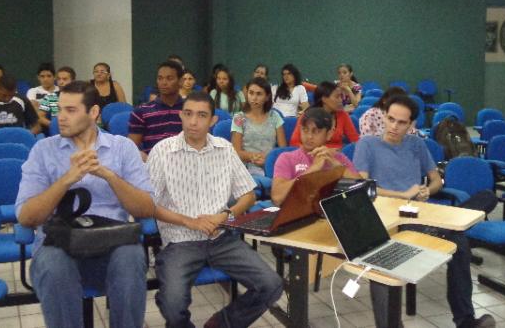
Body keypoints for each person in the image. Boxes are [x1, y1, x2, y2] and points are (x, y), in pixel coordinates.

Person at [15, 81, 155, 328]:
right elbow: (26, 217)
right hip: (58, 244)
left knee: (131, 257)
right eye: (59, 110)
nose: (61, 118)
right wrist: (68, 178)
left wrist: (108, 175)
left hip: (112, 241)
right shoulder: (43, 150)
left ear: (93, 113)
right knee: (53, 266)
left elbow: (145, 209)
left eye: (71, 110)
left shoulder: (122, 148)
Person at [353, 95, 496, 328]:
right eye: (390, 119)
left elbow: (437, 180)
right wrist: (403, 194)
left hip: (418, 212)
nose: (394, 126)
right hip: (388, 218)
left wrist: (426, 191)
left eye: (401, 122)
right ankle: (453, 224)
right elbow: (363, 189)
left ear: (411, 125)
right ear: (384, 117)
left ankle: (465, 321)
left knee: (487, 198)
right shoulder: (368, 145)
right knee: (459, 240)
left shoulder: (416, 144)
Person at [147, 91, 283, 328]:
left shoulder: (224, 149)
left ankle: (222, 324)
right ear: (180, 115)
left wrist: (226, 215)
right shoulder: (162, 151)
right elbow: (149, 205)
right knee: (172, 305)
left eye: (201, 115)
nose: (193, 122)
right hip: (181, 242)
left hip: (222, 238)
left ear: (212, 121)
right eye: (188, 114)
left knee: (271, 284)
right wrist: (191, 222)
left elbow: (248, 195)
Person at [272, 107, 360, 206]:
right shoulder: (287, 158)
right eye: (305, 130)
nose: (309, 136)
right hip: (297, 212)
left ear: (329, 134)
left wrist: (339, 168)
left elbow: (363, 190)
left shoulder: (338, 158)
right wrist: (313, 169)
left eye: (316, 131)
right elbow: (277, 198)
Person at [129, 61, 185, 159]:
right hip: (152, 165)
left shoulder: (189, 111)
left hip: (185, 164)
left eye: (169, 78)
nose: (164, 83)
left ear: (180, 81)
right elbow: (130, 148)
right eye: (160, 78)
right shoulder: (142, 112)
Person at [231, 77, 286, 176]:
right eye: (251, 93)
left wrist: (268, 159)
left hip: (271, 164)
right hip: (246, 167)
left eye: (259, 94)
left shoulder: (275, 117)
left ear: (267, 97)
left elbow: (283, 149)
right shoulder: (239, 117)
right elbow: (236, 151)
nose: (254, 98)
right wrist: (253, 157)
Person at [289, 81, 359, 149]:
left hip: (337, 155)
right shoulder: (307, 115)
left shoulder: (342, 115)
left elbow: (355, 141)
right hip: (311, 155)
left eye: (341, 96)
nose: (341, 100)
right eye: (337, 97)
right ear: (324, 99)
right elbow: (294, 143)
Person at [37, 66, 76, 132]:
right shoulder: (50, 96)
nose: (61, 82)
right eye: (59, 79)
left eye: (65, 79)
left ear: (73, 81)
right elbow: (40, 117)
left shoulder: (80, 97)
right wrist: (54, 125)